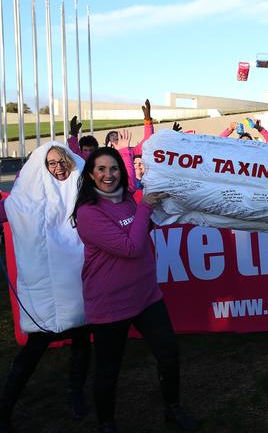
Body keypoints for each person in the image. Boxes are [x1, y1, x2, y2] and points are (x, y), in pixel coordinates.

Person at [71, 146, 200, 433]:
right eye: (101, 169)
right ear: (90, 175)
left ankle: (172, 409)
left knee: (168, 352)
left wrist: (166, 209)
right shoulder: (88, 213)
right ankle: (107, 424)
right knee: (109, 369)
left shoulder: (127, 199)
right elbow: (130, 247)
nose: (109, 175)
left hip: (145, 295)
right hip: (110, 303)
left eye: (114, 168)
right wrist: (146, 207)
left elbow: (140, 231)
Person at [0, 143, 91, 432]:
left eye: (63, 160)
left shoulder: (84, 193)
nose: (59, 167)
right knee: (32, 353)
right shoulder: (25, 200)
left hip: (77, 289)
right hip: (46, 298)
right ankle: (5, 407)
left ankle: (74, 394)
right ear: (43, 167)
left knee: (81, 345)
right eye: (52, 163)